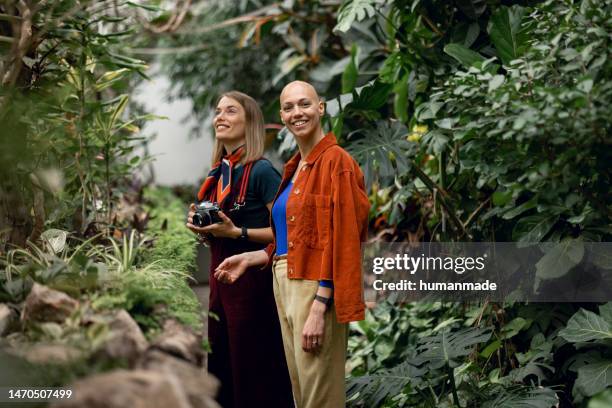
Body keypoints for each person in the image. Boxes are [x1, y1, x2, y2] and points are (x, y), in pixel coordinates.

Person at [215, 81, 370, 408]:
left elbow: (342, 239)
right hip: (283, 283)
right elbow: (294, 238)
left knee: (319, 397)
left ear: (321, 108)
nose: (296, 113)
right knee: (300, 396)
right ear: (281, 116)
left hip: (313, 287)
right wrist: (254, 257)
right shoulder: (294, 167)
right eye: (288, 107)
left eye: (304, 104)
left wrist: (319, 305)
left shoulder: (336, 162)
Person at [186, 91, 293, 408]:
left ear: (250, 122)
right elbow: (225, 229)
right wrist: (207, 232)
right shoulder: (220, 172)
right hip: (222, 281)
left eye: (230, 111)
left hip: (253, 284)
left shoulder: (261, 171)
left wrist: (237, 231)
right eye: (218, 111)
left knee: (254, 368)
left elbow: (286, 232)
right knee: (222, 363)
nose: (220, 117)